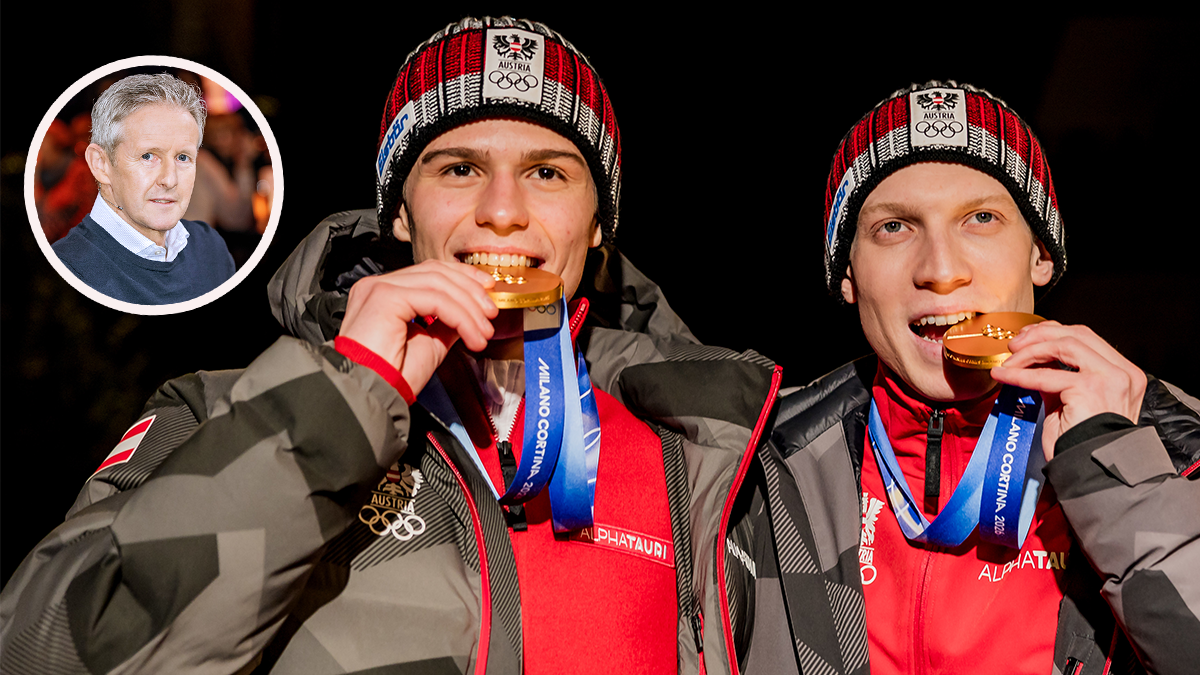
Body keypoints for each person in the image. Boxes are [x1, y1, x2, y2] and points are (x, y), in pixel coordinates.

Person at [1, 18, 778, 674]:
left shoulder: (708, 456)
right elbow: (45, 648)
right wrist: (336, 405)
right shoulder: (218, 411)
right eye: (459, 167)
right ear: (399, 214)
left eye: (547, 171)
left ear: (598, 222)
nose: (502, 211)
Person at [729, 81, 1200, 675]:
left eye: (981, 218)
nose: (941, 270)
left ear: (1040, 254)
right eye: (894, 228)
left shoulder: (1181, 444)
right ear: (847, 276)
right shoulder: (752, 466)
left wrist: (1121, 475)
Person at [51, 73, 235, 305]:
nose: (170, 180)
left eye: (183, 157)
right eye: (148, 156)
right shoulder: (69, 269)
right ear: (101, 164)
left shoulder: (210, 247)